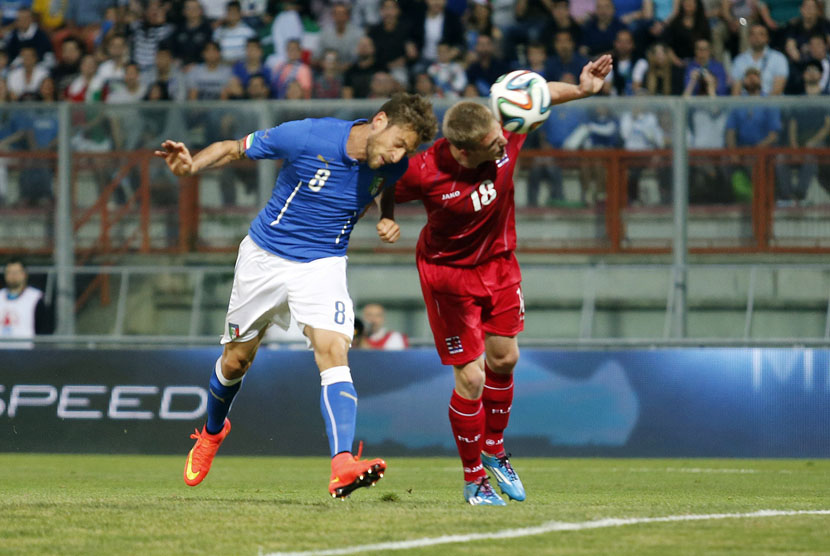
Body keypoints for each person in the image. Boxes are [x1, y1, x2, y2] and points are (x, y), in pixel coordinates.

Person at [154, 93, 438, 498]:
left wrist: (387, 215)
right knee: (236, 361)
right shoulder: (307, 136)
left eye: (406, 150)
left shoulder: (394, 163)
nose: (398, 156)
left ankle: (342, 464)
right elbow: (233, 149)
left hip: (323, 264)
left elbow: (385, 181)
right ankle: (213, 432)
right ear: (378, 121)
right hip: (265, 257)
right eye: (397, 144)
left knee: (334, 349)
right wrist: (191, 164)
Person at [390, 55, 612, 505]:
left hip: (499, 262)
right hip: (447, 275)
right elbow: (373, 183)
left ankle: (494, 449)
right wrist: (383, 216)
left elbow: (540, 94)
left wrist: (584, 89)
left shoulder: (505, 129)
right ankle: (474, 480)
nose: (504, 146)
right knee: (470, 380)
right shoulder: (424, 172)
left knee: (505, 358)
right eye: (493, 145)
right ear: (464, 150)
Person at [1, 258, 52, 349]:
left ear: (24, 274)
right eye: (9, 272)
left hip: (26, 355)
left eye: (16, 272)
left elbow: (44, 329)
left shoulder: (35, 298)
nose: (12, 276)